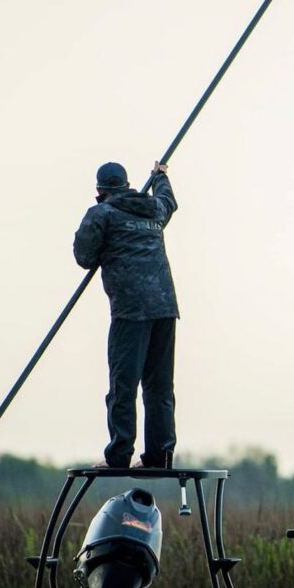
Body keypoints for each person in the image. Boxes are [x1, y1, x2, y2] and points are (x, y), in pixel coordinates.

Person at [74, 161, 179, 469]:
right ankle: (160, 457)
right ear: (128, 184)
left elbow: (84, 256)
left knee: (123, 386)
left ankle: (119, 456)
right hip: (164, 308)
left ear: (99, 190)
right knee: (159, 387)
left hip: (130, 311)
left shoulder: (101, 214)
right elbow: (168, 201)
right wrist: (161, 176)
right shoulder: (153, 210)